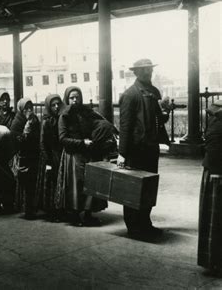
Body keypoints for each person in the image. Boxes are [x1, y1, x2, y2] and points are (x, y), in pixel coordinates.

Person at [117, 58, 169, 239]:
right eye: (144, 70)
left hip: (150, 149)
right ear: (137, 72)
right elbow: (125, 126)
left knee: (148, 189)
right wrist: (122, 153)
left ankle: (145, 223)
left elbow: (158, 120)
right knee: (133, 190)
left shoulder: (152, 93)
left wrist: (166, 112)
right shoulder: (130, 95)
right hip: (135, 151)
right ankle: (134, 228)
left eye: (150, 69)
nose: (149, 72)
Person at [56, 87, 110, 226]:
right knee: (76, 185)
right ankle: (74, 215)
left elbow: (99, 123)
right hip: (74, 154)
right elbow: (62, 138)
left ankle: (88, 214)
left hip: (88, 151)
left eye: (77, 97)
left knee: (91, 182)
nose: (75, 100)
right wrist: (81, 142)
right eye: (71, 98)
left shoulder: (87, 112)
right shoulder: (64, 116)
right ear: (67, 99)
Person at [198, 100, 222, 274]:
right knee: (216, 218)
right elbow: (213, 148)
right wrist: (216, 172)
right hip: (217, 174)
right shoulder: (217, 125)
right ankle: (215, 260)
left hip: (216, 171)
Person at [10, 98, 41, 219]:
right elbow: (16, 140)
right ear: (21, 109)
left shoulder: (35, 119)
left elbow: (38, 135)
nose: (29, 110)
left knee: (32, 183)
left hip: (33, 155)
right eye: (26, 108)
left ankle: (31, 209)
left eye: (30, 107)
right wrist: (26, 129)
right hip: (21, 156)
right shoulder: (17, 122)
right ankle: (24, 209)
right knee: (24, 183)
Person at [35, 94, 63, 221]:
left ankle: (59, 210)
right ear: (48, 106)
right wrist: (47, 161)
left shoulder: (62, 119)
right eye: (53, 105)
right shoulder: (46, 121)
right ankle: (51, 212)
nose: (56, 107)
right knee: (50, 184)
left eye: (58, 104)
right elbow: (42, 143)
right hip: (50, 155)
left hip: (59, 154)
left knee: (59, 182)